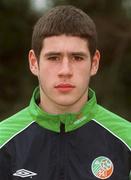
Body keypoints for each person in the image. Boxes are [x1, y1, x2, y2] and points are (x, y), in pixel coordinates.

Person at [0, 5, 131, 180]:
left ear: (94, 63)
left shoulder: (126, 140)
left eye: (77, 58)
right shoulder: (3, 141)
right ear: (34, 62)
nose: (65, 70)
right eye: (53, 58)